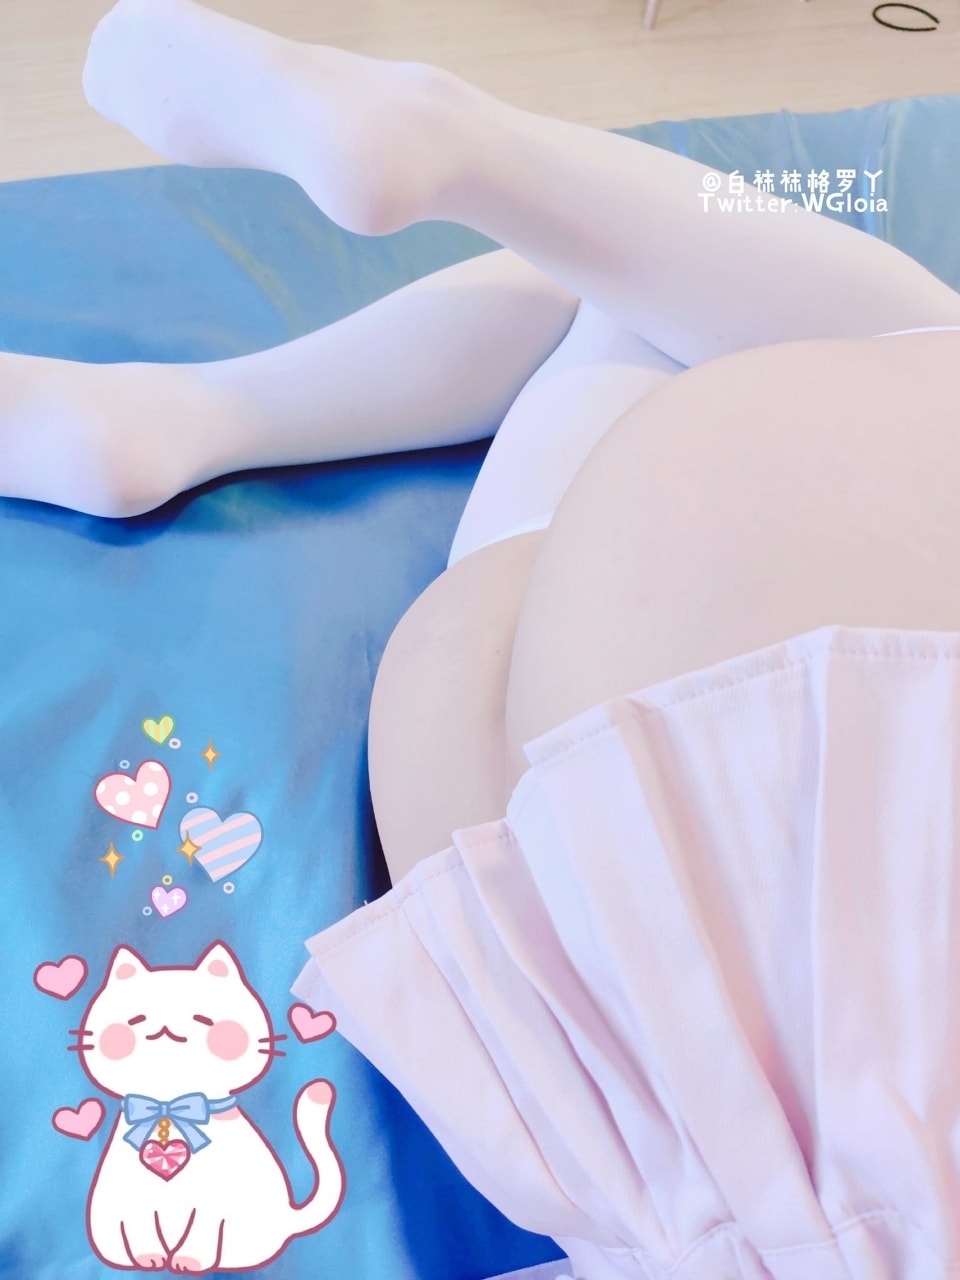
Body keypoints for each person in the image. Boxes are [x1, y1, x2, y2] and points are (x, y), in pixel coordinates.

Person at [15, 2, 960, 1273]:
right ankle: (179, 416)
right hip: (570, 1020)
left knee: (864, 323)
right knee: (641, 295)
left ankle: (432, 158)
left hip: (769, 718)